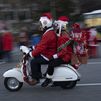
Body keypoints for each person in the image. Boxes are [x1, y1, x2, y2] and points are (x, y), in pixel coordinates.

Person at [23, 12, 57, 85]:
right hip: (49, 53)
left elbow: (42, 47)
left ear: (45, 23)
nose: (40, 25)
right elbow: (42, 44)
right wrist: (33, 47)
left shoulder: (48, 34)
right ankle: (38, 75)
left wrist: (31, 53)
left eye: (41, 23)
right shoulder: (49, 32)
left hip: (49, 55)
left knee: (33, 61)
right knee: (35, 58)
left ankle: (36, 78)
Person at [41, 16, 73, 87]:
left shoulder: (63, 36)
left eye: (57, 26)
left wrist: (55, 56)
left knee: (51, 63)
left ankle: (48, 79)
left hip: (66, 57)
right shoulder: (64, 34)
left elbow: (63, 51)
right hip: (65, 55)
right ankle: (50, 76)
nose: (56, 28)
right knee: (52, 60)